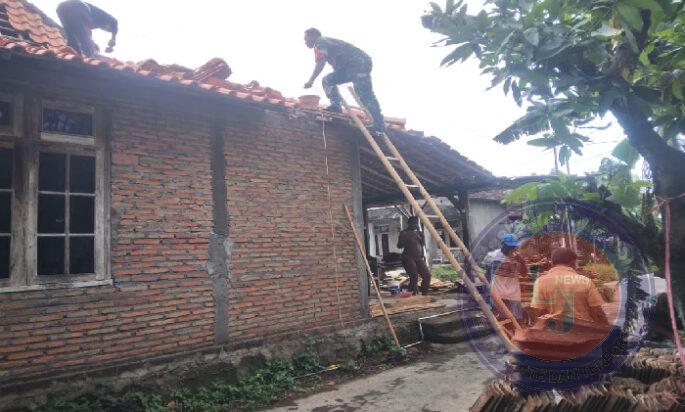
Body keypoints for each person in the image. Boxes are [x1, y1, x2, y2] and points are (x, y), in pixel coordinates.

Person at [303, 28, 386, 134]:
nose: (305, 42)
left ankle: (378, 124)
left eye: (306, 39)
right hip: (356, 64)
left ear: (313, 36)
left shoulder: (320, 41)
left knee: (364, 94)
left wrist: (311, 80)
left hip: (357, 64)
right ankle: (336, 106)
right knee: (328, 80)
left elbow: (320, 63)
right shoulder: (328, 43)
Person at [529, 248, 609, 326]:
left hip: (554, 333)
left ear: (552, 263)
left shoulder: (540, 282)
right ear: (572, 263)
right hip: (584, 333)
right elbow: (597, 312)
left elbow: (538, 311)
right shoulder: (585, 281)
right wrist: (607, 331)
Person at [483, 233, 528, 320]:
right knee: (500, 320)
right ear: (503, 245)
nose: (511, 249)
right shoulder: (492, 256)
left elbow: (524, 274)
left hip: (513, 294)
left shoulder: (518, 258)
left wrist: (522, 262)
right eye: (508, 246)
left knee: (515, 320)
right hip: (497, 293)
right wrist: (488, 294)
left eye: (513, 246)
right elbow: (487, 275)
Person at [397, 216, 431, 295]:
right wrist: (405, 239)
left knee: (427, 275)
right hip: (408, 257)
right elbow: (399, 246)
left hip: (419, 258)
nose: (416, 225)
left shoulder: (419, 233)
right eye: (414, 223)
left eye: (417, 223)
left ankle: (424, 294)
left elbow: (422, 246)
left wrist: (422, 238)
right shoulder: (404, 233)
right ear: (409, 223)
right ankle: (412, 294)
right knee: (414, 276)